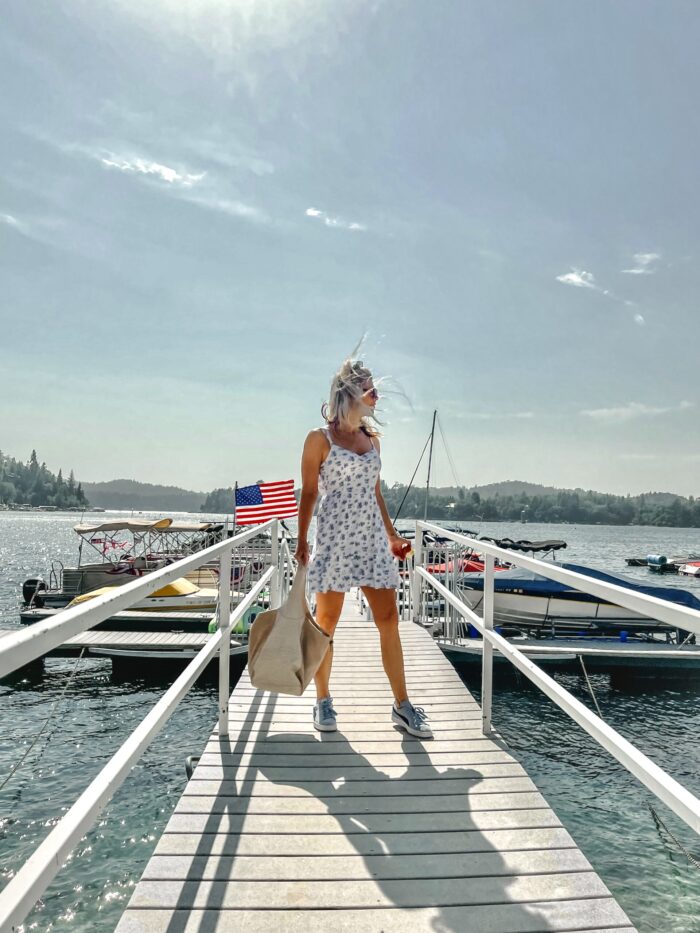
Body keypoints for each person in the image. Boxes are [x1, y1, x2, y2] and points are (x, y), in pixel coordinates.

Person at [294, 356, 433, 738]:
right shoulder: (318, 439)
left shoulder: (370, 440)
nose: (377, 394)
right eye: (370, 388)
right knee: (326, 624)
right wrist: (302, 538)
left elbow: (375, 492)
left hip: (371, 538)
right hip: (335, 537)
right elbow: (308, 492)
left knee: (388, 621)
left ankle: (402, 706)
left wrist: (391, 535)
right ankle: (322, 700)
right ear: (351, 392)